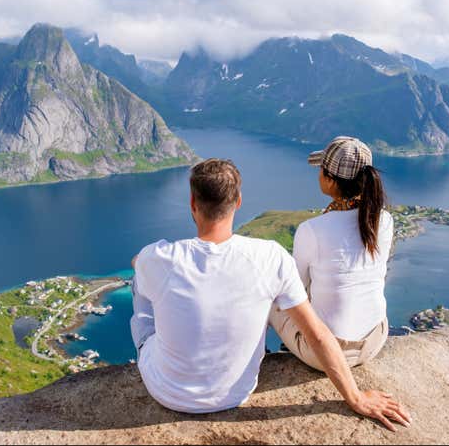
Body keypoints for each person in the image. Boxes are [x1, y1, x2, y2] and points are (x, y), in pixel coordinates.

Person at [130, 158, 410, 431]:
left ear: (193, 203)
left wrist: (143, 264)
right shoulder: (269, 256)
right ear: (238, 202)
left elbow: (139, 263)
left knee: (139, 283)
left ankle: (151, 344)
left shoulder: (159, 257)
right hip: (237, 391)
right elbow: (317, 334)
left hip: (168, 392)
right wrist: (356, 398)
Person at [270, 136, 392, 370]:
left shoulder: (312, 230)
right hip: (375, 340)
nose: (318, 175)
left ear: (331, 180)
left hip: (328, 353)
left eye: (321, 170)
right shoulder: (383, 220)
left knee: (271, 293)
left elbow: (294, 291)